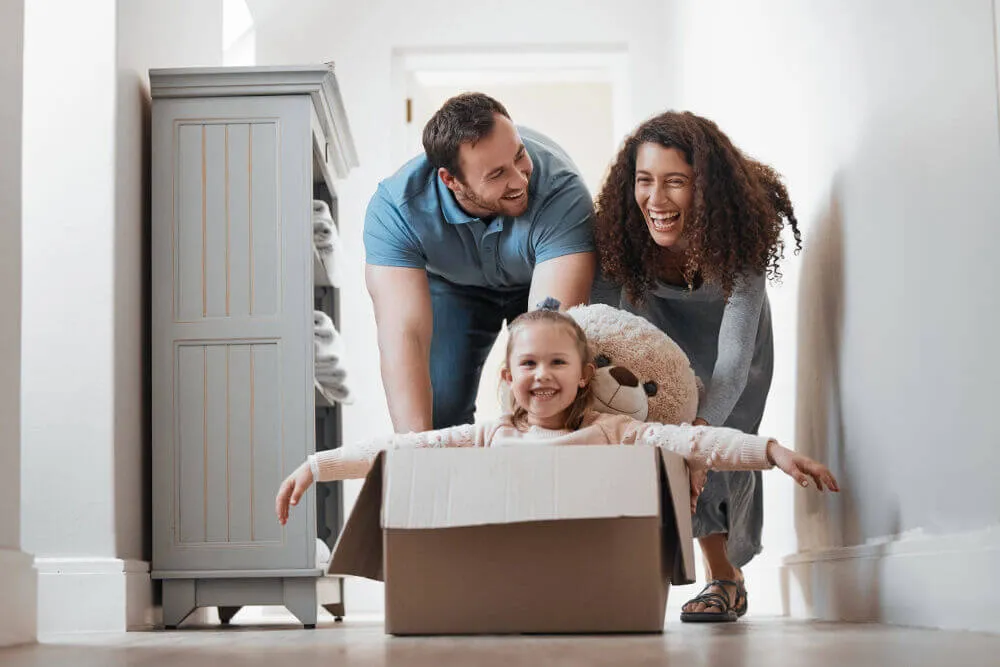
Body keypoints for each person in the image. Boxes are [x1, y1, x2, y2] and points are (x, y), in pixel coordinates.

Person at [277, 304, 839, 618]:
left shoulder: (615, 432)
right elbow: (400, 449)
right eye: (528, 364)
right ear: (508, 377)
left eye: (556, 363)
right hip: (503, 588)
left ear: (582, 376)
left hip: (591, 587)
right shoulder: (489, 435)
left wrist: (771, 453)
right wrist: (318, 465)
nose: (541, 375)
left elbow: (697, 442)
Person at [591, 110, 804, 622]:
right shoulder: (617, 238)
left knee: (717, 441)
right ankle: (635, 571)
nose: (656, 200)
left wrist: (701, 435)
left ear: (705, 189)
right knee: (655, 440)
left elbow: (731, 362)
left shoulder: (739, 241)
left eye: (675, 183)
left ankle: (723, 577)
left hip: (733, 351)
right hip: (655, 341)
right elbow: (594, 324)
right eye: (645, 181)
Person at [363, 93, 596, 434]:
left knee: (550, 401)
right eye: (498, 174)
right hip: (454, 287)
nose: (519, 180)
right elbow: (404, 336)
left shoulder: (562, 191)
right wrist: (416, 452)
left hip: (539, 279)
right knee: (439, 408)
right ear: (451, 180)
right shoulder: (395, 210)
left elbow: (554, 334)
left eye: (520, 157)